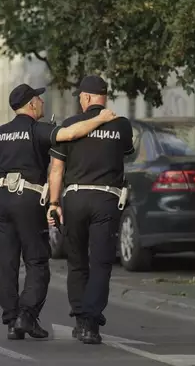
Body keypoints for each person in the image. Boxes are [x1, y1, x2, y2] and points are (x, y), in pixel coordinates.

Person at [0, 83, 117, 340]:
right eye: (39, 99)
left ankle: (11, 321)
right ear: (31, 104)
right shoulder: (38, 130)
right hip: (27, 198)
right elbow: (71, 134)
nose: (43, 102)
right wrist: (101, 118)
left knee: (6, 263)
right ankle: (26, 315)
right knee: (36, 261)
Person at [47, 75, 135, 345]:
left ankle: (80, 319)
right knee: (101, 263)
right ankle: (91, 325)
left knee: (77, 261)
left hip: (74, 198)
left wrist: (53, 203)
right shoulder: (121, 125)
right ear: (104, 97)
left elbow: (57, 170)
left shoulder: (70, 125)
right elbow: (126, 154)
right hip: (106, 199)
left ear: (85, 98)